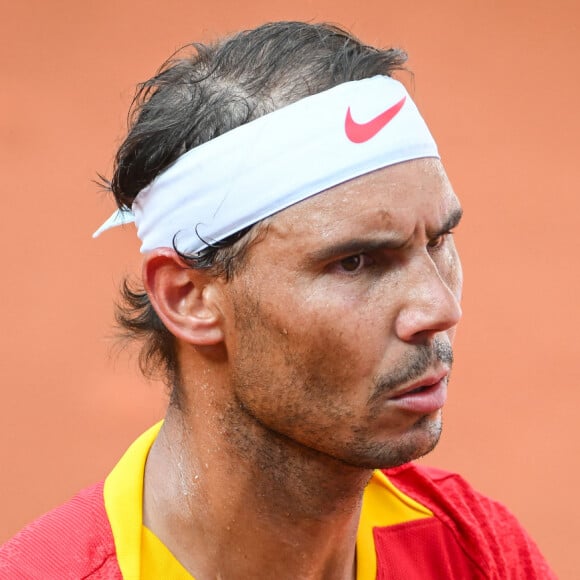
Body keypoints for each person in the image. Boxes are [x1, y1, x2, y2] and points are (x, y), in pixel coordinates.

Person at [0, 21, 555, 580]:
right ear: (188, 298)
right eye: (355, 262)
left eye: (437, 241)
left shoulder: (477, 553)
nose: (439, 309)